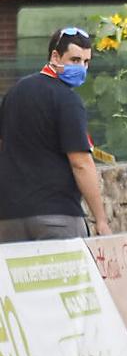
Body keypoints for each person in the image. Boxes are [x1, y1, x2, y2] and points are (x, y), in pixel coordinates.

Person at [0, 28, 110, 242]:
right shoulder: (67, 100)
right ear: (55, 57)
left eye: (86, 62)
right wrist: (101, 219)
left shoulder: (13, 94)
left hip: (9, 218)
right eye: (75, 60)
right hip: (57, 217)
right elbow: (81, 163)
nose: (81, 68)